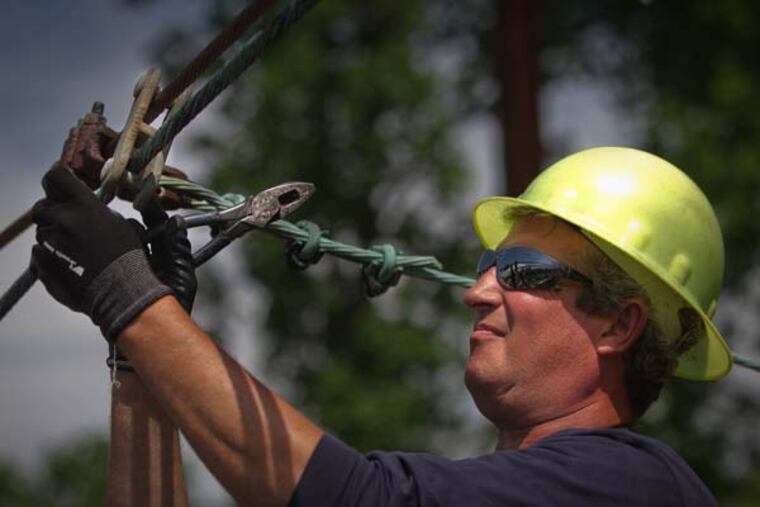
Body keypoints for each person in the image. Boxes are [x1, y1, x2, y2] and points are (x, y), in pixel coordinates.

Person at [31, 146, 729, 506]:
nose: (479, 290)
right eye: (487, 263)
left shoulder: (631, 487)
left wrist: (128, 295)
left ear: (618, 323)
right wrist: (140, 351)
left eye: (520, 269)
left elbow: (356, 501)